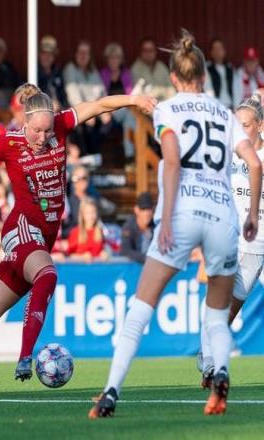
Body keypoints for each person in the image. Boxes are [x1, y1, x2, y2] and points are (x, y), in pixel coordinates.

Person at [0, 82, 155, 391]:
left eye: (48, 131)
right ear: (25, 122)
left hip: (42, 238)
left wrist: (134, 99)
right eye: (37, 131)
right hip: (21, 229)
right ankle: (25, 356)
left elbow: (99, 105)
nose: (43, 137)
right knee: (47, 274)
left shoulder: (60, 124)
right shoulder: (8, 143)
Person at [89, 30, 261, 419]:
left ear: (174, 77)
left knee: (140, 309)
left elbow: (171, 160)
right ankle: (219, 373)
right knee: (217, 316)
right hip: (223, 217)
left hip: (183, 213)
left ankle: (111, 392)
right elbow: (254, 162)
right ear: (203, 74)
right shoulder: (224, 112)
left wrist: (165, 219)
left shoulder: (168, 110)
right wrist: (251, 215)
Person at [198, 92, 264, 387]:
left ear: (260, 126)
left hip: (257, 244)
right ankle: (210, 362)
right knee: (219, 299)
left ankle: (209, 353)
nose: (240, 130)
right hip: (228, 237)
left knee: (231, 308)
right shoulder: (225, 153)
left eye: (246, 125)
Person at [66, 197, 108, 262]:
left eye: (93, 212)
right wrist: (82, 257)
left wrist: (104, 253)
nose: (91, 216)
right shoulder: (75, 232)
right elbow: (69, 256)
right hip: (80, 268)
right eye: (87, 213)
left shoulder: (100, 231)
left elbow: (103, 249)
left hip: (97, 268)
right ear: (82, 215)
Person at [120, 192, 155, 263]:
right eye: (143, 209)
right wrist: (146, 258)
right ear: (136, 210)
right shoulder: (129, 227)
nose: (146, 213)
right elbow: (125, 251)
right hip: (135, 267)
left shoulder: (156, 226)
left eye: (149, 209)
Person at [204, 39, 238, 110]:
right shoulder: (207, 69)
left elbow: (236, 90)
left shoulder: (230, 69)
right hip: (216, 107)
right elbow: (208, 91)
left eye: (220, 48)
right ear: (211, 52)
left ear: (224, 51)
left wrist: (236, 108)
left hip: (230, 107)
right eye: (215, 49)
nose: (218, 51)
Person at [38, 35, 68, 111]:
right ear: (39, 54)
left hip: (59, 111)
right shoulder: (33, 73)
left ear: (54, 56)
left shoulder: (58, 72)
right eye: (44, 53)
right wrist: (50, 104)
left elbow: (64, 97)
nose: (46, 57)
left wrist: (60, 106)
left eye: (50, 54)